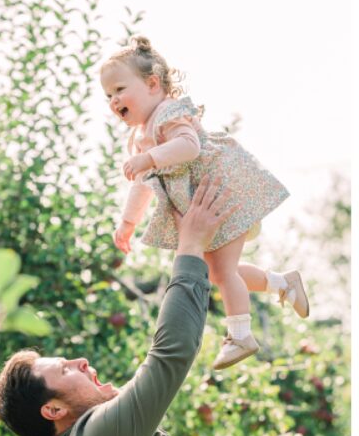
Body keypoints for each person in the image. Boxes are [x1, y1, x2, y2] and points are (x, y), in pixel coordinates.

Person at [0, 176, 239, 436]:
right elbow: (170, 354)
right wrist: (190, 246)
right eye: (66, 369)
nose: (81, 359)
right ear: (54, 410)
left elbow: (157, 367)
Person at [102, 36, 307, 368]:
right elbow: (143, 184)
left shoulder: (168, 111)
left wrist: (150, 158)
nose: (113, 100)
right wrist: (127, 223)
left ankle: (241, 335)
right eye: (108, 95)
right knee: (215, 272)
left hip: (221, 190)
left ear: (153, 84)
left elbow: (189, 147)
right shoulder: (140, 136)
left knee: (224, 271)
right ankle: (283, 283)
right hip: (203, 204)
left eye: (119, 90)